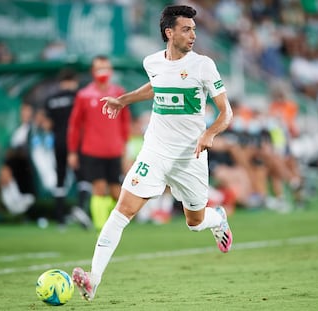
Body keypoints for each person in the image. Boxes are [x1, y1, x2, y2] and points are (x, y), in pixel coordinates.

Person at [72, 5, 234, 301]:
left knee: (194, 222)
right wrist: (124, 100)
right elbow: (156, 86)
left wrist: (209, 133)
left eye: (194, 29)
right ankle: (94, 278)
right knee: (122, 211)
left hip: (190, 157)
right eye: (187, 29)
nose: (193, 35)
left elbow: (227, 112)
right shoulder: (152, 62)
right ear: (169, 33)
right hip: (155, 151)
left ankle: (217, 218)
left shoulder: (204, 66)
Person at [67, 55, 131, 230]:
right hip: (92, 150)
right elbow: (74, 125)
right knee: (99, 188)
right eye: (99, 69)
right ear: (92, 72)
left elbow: (125, 122)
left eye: (106, 68)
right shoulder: (84, 95)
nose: (103, 72)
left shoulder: (119, 92)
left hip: (114, 150)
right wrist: (72, 151)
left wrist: (125, 147)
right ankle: (101, 228)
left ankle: (112, 223)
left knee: (116, 192)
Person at [43, 67, 92, 228]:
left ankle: (60, 220)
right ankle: (80, 209)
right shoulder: (79, 97)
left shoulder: (51, 99)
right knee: (83, 177)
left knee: (60, 179)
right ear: (74, 81)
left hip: (58, 142)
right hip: (76, 142)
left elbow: (47, 124)